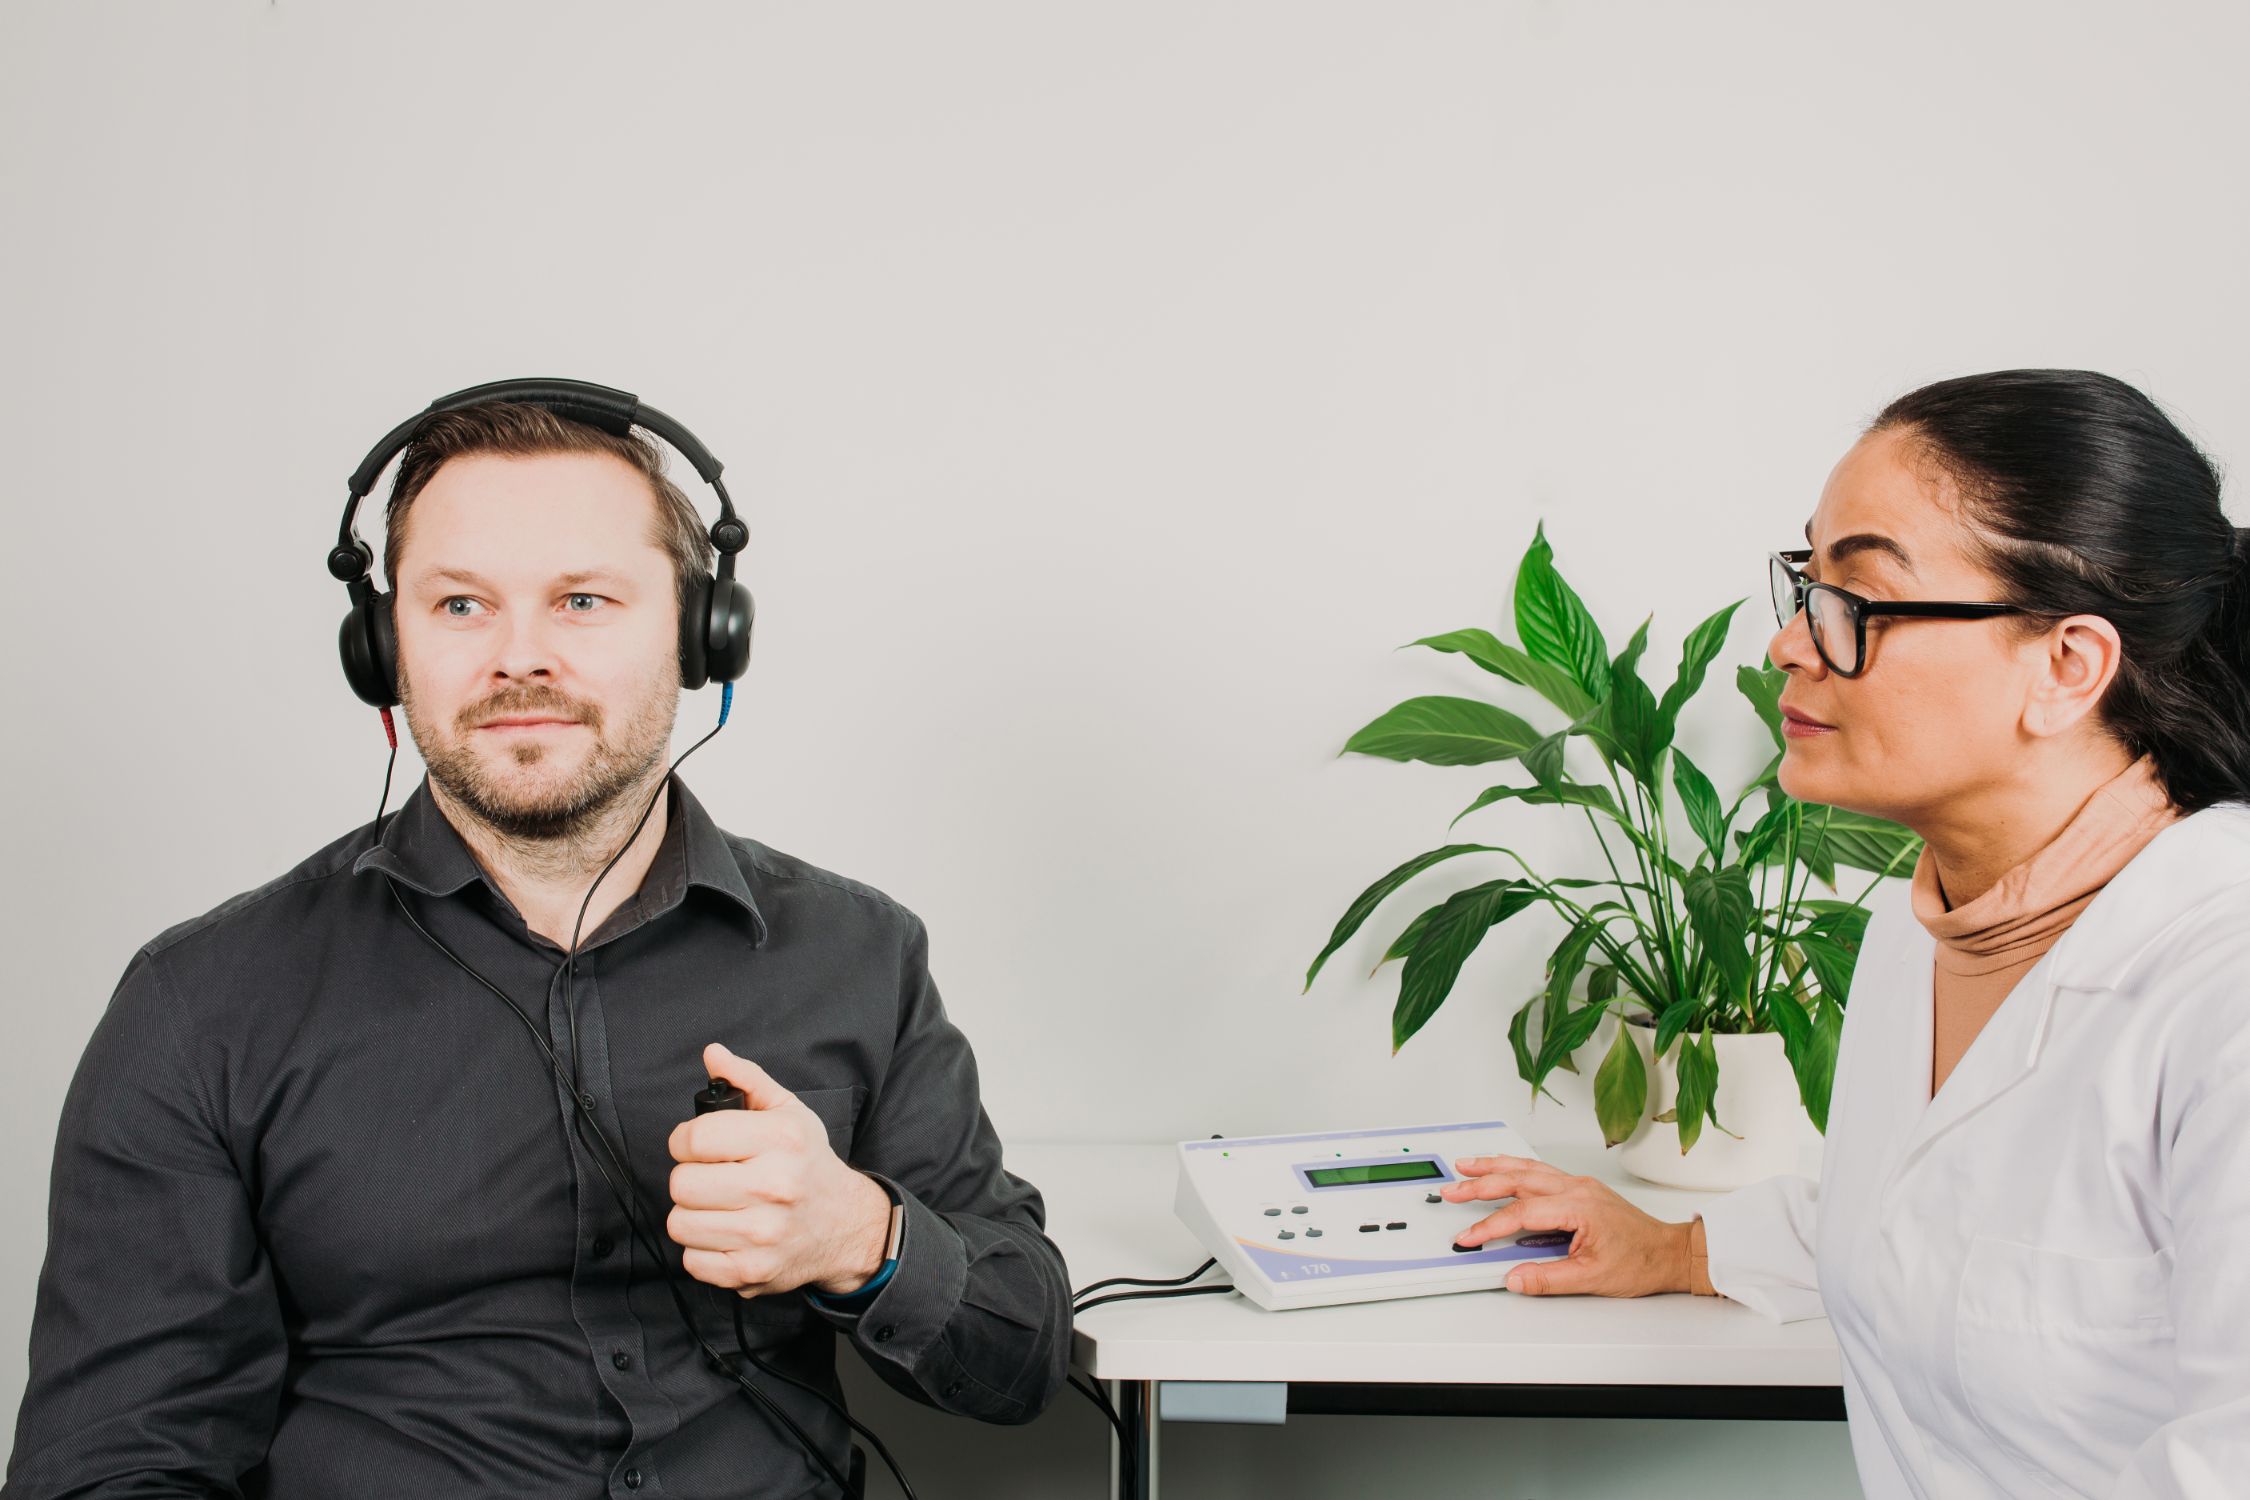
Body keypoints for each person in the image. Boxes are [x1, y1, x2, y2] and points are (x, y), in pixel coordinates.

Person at [5, 396, 1070, 1498]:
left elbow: (1022, 1356)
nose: (522, 656)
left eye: (582, 600)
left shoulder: (859, 955)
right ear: (383, 648)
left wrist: (861, 1235)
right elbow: (114, 1466)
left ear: (701, 631)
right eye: (461, 603)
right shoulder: (204, 1004)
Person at [1440, 370, 2250, 1499]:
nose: (1789, 645)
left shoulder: (2222, 992)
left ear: (2067, 667)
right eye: (1803, 582)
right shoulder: (1917, 936)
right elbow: (1923, 1211)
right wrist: (1674, 1249)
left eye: (1856, 600)